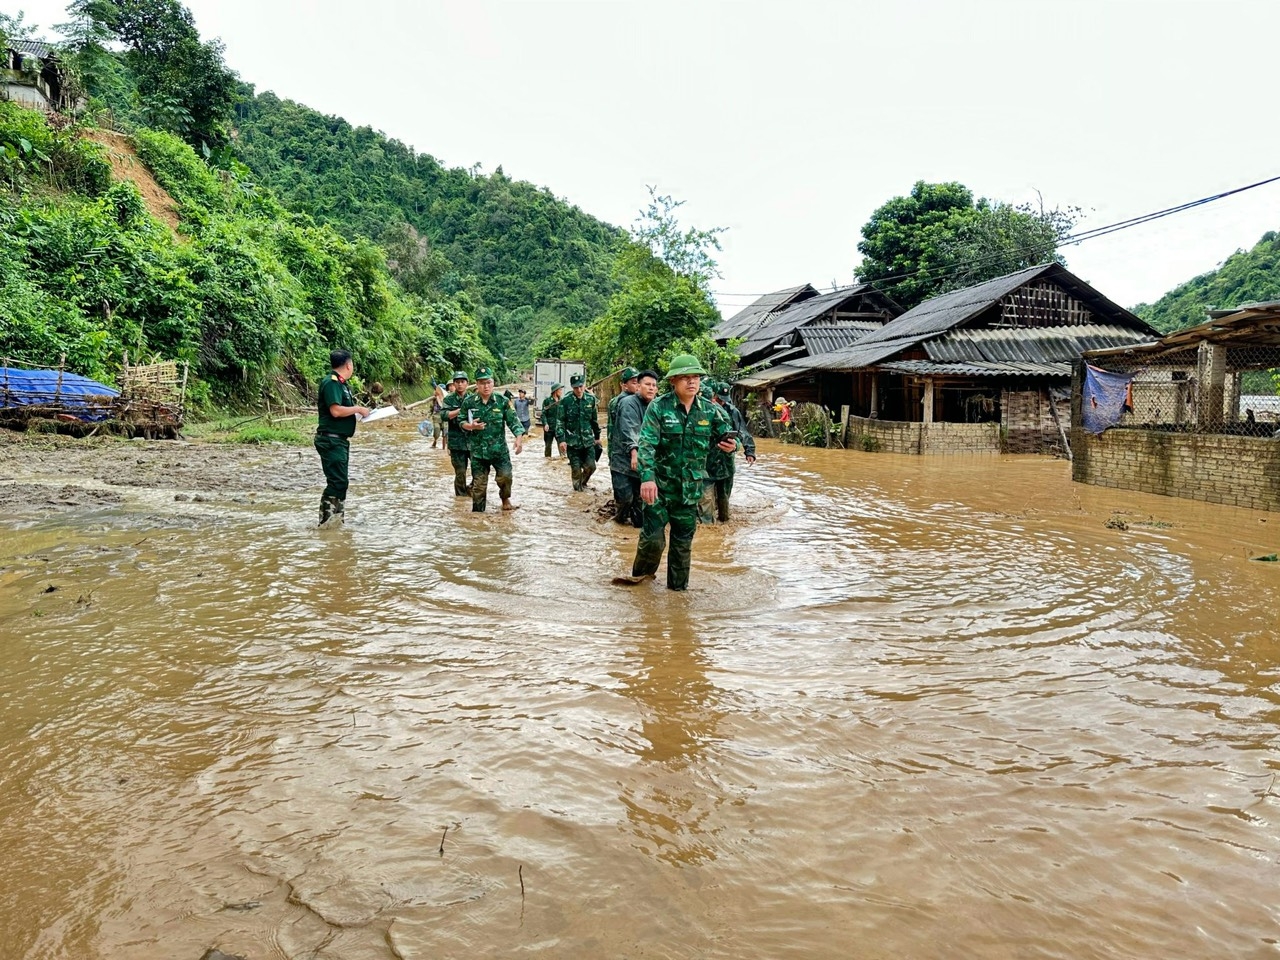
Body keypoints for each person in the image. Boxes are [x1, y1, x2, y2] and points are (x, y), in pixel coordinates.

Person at [630, 355, 735, 590]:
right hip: (659, 489)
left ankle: (677, 594)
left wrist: (731, 445)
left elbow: (726, 433)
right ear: (674, 381)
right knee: (653, 541)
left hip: (689, 491)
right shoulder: (659, 407)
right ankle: (638, 586)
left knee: (682, 546)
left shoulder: (709, 410)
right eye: (686, 378)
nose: (692, 382)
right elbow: (646, 444)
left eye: (696, 377)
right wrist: (647, 478)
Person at [313, 349, 371, 525]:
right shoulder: (331, 383)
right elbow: (336, 410)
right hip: (331, 440)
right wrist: (358, 409)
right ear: (348, 364)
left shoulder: (341, 384)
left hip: (339, 441)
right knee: (337, 482)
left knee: (341, 482)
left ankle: (337, 522)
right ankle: (326, 522)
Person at [459, 366, 526, 512]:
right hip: (478, 453)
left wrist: (519, 439)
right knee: (479, 486)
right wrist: (471, 426)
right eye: (482, 383)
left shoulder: (502, 401)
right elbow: (461, 421)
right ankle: (477, 518)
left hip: (499, 451)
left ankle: (505, 499)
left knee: (506, 477)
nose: (486, 386)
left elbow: (514, 422)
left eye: (488, 382)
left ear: (493, 383)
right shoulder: (469, 402)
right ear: (476, 384)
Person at [700, 381, 757, 523]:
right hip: (704, 467)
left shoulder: (729, 413)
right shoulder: (694, 412)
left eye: (721, 400)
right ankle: (708, 530)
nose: (719, 403)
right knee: (706, 505)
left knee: (724, 505)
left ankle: (722, 527)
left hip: (725, 464)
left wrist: (748, 450)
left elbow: (741, 432)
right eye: (717, 399)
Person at [613, 368, 657, 527]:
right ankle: (618, 522)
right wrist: (634, 451)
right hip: (623, 461)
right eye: (647, 384)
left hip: (644, 462)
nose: (651, 388)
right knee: (625, 499)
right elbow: (629, 428)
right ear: (638, 387)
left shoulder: (656, 406)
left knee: (641, 504)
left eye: (654, 385)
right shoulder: (627, 403)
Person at [606, 366, 640, 519]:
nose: (637, 385)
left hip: (637, 456)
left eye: (639, 382)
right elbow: (619, 430)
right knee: (625, 498)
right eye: (633, 382)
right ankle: (619, 518)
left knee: (638, 500)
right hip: (621, 454)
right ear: (624, 385)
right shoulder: (620, 402)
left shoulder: (644, 401)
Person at [558, 373, 600, 491]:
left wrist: (597, 437)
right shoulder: (565, 401)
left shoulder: (591, 400)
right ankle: (577, 493)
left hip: (588, 441)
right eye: (576, 387)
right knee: (575, 470)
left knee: (591, 467)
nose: (579, 389)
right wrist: (562, 440)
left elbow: (594, 420)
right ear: (572, 387)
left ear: (584, 385)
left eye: (581, 386)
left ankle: (583, 482)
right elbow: (560, 421)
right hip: (572, 442)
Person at [441, 370, 472, 496]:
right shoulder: (449, 399)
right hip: (456, 441)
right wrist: (460, 410)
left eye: (462, 382)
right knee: (460, 472)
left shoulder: (473, 398)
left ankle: (471, 488)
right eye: (457, 382)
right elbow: (444, 415)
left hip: (472, 440)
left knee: (480, 470)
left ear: (467, 383)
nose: (460, 384)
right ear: (454, 384)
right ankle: (460, 499)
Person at [542, 381, 564, 458]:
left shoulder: (562, 401)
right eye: (560, 390)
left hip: (559, 429)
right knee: (548, 447)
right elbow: (543, 414)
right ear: (555, 391)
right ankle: (547, 463)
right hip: (549, 428)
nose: (561, 392)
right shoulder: (547, 401)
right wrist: (545, 424)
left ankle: (562, 462)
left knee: (562, 448)